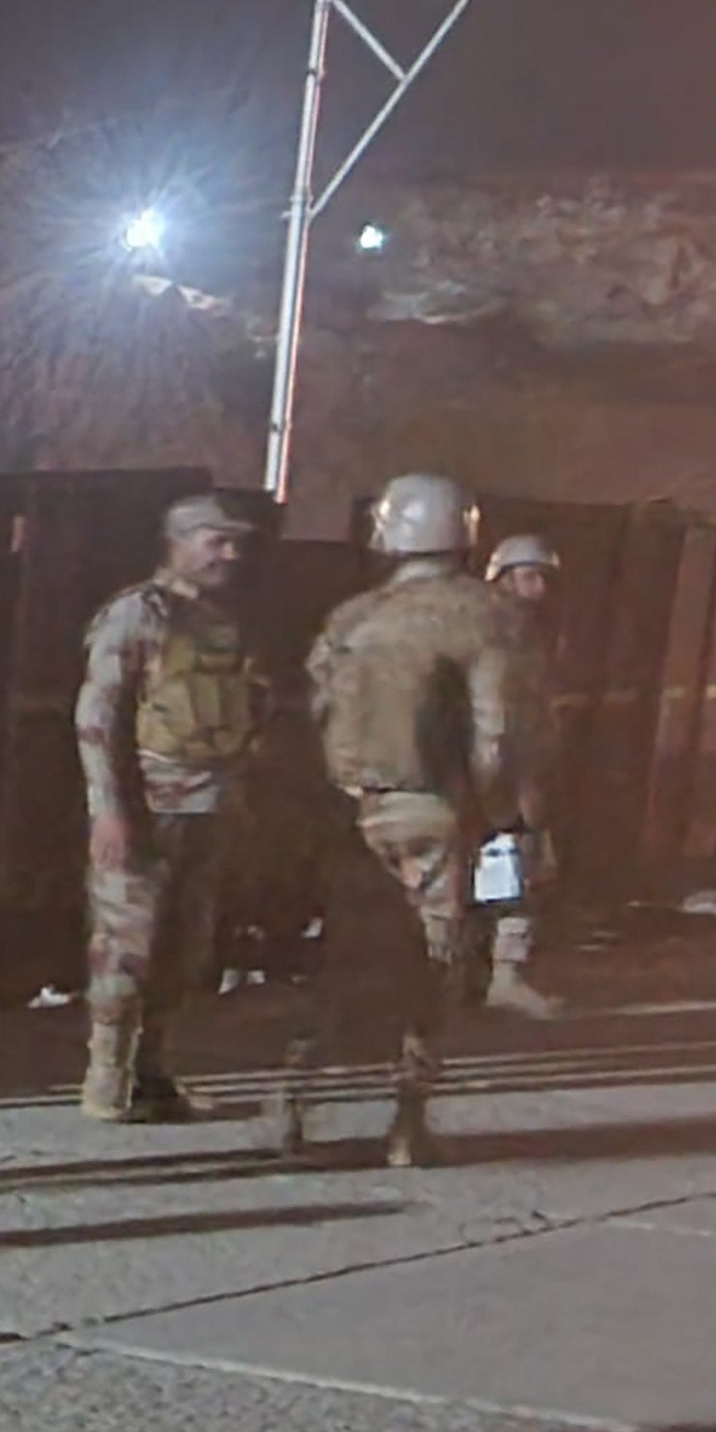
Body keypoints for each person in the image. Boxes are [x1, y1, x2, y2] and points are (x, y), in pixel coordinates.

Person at [294, 469, 540, 1164]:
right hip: (434, 808)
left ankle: (300, 1100)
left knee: (348, 958)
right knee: (432, 966)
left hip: (351, 810)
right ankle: (407, 1123)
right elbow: (497, 731)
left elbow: (314, 710)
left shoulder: (351, 617)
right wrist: (495, 811)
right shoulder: (487, 616)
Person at [70, 487, 271, 1121]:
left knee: (185, 950)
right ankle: (107, 1080)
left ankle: (153, 1074)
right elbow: (98, 718)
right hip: (147, 809)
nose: (229, 554)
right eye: (216, 541)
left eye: (234, 543)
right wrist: (108, 809)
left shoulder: (223, 621)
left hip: (208, 808)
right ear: (178, 543)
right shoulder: (136, 614)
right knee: (125, 948)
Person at [471, 531, 571, 1019]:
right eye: (530, 577)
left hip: (521, 768)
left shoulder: (534, 638)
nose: (539, 589)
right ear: (504, 579)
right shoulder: (488, 634)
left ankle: (502, 975)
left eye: (543, 578)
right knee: (503, 872)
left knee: (519, 874)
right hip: (495, 772)